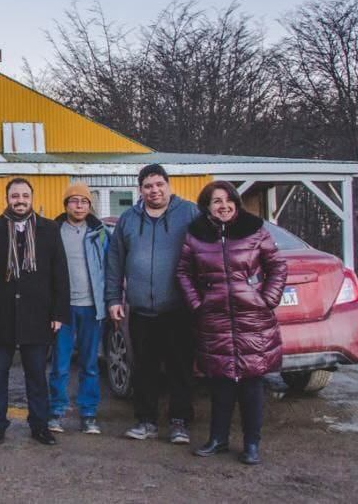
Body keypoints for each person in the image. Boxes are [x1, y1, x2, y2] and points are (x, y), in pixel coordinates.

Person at [177, 181, 286, 466]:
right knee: (221, 383)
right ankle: (218, 439)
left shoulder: (255, 230)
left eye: (227, 200)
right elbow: (183, 273)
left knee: (251, 383)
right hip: (214, 319)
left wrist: (266, 298)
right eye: (216, 201)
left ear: (236, 202)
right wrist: (198, 305)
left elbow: (277, 266)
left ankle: (251, 444)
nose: (222, 205)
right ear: (207, 206)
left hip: (253, 318)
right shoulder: (195, 235)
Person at [105, 164, 199, 444]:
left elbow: (205, 253)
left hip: (178, 308)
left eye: (159, 184)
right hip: (141, 309)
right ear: (140, 190)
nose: (154, 190)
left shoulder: (189, 213)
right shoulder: (128, 220)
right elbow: (115, 261)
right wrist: (113, 298)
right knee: (144, 368)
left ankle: (179, 422)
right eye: (148, 186)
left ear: (168, 185)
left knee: (179, 368)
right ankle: (145, 421)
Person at [0, 178, 69, 446]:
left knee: (37, 376)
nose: (20, 200)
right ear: (7, 198)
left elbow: (60, 274)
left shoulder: (49, 229)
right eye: (15, 195)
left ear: (31, 197)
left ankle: (40, 425)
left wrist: (58, 313)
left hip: (38, 315)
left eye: (25, 195)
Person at [48, 183, 109, 435]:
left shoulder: (100, 233)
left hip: (91, 308)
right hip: (63, 309)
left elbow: (111, 266)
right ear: (66, 205)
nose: (79, 205)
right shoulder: (53, 231)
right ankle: (56, 412)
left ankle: (88, 414)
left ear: (89, 205)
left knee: (89, 363)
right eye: (74, 201)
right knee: (60, 364)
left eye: (84, 201)